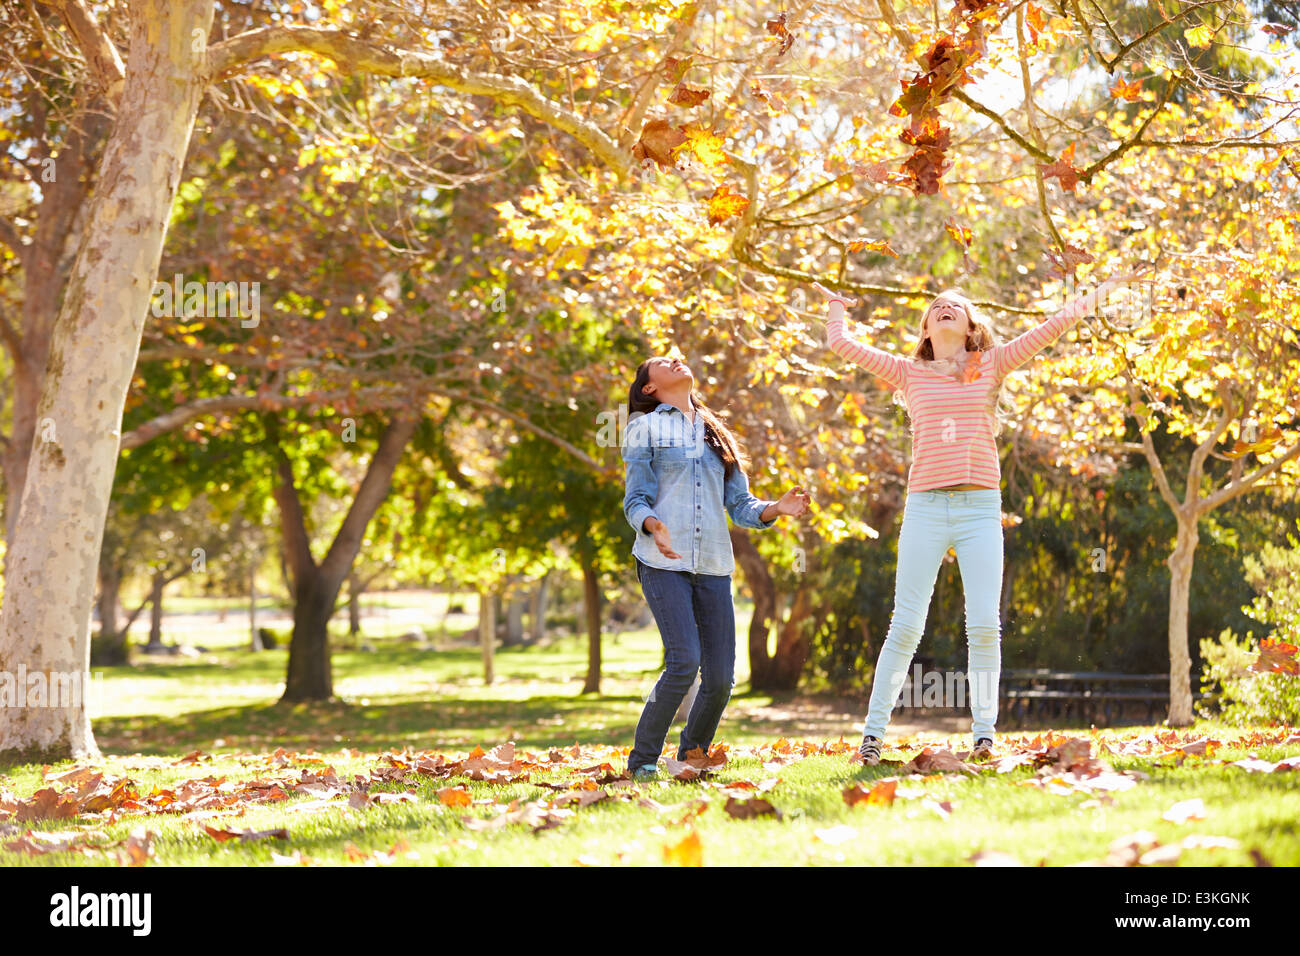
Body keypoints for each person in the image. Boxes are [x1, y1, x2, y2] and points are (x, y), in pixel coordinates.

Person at [815, 267, 1148, 765]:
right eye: (935, 306)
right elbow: (840, 343)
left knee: (985, 626)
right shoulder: (908, 372)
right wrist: (837, 303)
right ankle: (872, 738)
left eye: (956, 305)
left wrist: (1100, 291)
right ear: (926, 330)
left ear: (971, 327)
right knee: (905, 626)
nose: (944, 307)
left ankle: (985, 737)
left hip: (978, 509)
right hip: (926, 507)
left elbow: (1054, 325)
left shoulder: (991, 363)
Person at [621, 355, 811, 779]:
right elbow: (635, 499)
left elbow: (740, 506)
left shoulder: (714, 432)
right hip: (662, 562)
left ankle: (691, 755)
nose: (675, 358)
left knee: (722, 677)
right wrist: (654, 525)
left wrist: (776, 508)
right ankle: (643, 760)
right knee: (684, 661)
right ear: (649, 388)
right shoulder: (644, 427)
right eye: (661, 362)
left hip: (713, 565)